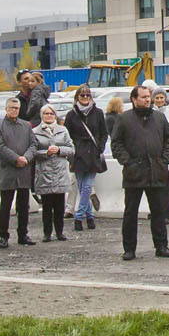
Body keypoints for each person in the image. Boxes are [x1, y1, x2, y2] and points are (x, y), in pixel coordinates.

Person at [110, 82, 169, 259]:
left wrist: (164, 160)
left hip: (156, 171)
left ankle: (161, 246)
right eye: (144, 97)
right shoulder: (124, 119)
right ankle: (129, 249)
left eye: (149, 97)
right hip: (134, 173)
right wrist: (127, 162)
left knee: (159, 212)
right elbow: (116, 143)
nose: (148, 100)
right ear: (134, 99)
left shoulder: (159, 118)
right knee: (130, 213)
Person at [0, 97, 37, 247]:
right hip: (8, 171)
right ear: (6, 109)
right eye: (11, 108)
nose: (14, 110)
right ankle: (3, 236)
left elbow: (33, 145)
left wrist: (26, 158)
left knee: (24, 206)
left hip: (24, 171)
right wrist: (16, 158)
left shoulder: (26, 126)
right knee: (5, 206)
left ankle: (23, 234)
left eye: (16, 108)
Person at [66, 86, 108, 232]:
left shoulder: (98, 113)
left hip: (93, 153)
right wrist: (72, 150)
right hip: (78, 154)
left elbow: (104, 133)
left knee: (87, 186)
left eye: (87, 95)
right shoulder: (71, 115)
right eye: (82, 95)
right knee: (82, 186)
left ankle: (79, 216)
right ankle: (89, 216)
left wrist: (100, 147)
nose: (85, 97)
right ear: (77, 97)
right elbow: (67, 135)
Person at [32, 103, 75, 240]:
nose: (49, 116)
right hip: (44, 172)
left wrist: (59, 150)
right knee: (47, 206)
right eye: (46, 113)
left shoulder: (63, 130)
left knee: (59, 206)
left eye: (51, 113)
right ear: (42, 115)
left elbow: (71, 149)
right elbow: (32, 152)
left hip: (60, 172)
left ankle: (59, 232)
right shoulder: (35, 132)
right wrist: (46, 153)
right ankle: (47, 233)